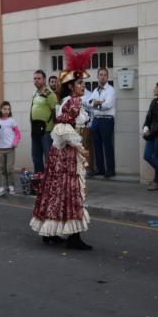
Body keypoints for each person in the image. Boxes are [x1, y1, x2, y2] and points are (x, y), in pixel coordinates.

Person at [31, 46, 95, 250]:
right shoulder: (73, 102)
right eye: (80, 83)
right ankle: (74, 238)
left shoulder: (69, 101)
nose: (83, 86)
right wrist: (80, 148)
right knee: (70, 192)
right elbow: (61, 128)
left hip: (59, 155)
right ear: (72, 87)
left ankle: (49, 233)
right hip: (66, 156)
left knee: (56, 192)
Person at [87, 67, 116, 178]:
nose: (102, 76)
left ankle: (111, 170)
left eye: (105, 75)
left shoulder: (111, 90)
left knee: (107, 145)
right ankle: (100, 169)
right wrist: (98, 103)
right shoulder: (95, 90)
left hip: (107, 120)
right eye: (100, 74)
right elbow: (89, 103)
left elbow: (107, 105)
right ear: (98, 76)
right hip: (96, 120)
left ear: (107, 77)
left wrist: (96, 104)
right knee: (97, 145)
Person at [0, 101, 21, 196]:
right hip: (0, 148)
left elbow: (18, 133)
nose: (6, 111)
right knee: (3, 169)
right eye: (4, 109)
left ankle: (11, 186)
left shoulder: (12, 121)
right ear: (0, 110)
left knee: (9, 168)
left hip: (10, 148)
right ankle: (4, 186)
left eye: (8, 109)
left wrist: (15, 142)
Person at [30, 70, 57, 173]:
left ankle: (50, 183)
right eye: (35, 78)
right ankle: (39, 182)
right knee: (36, 157)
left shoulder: (49, 94)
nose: (36, 81)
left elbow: (55, 111)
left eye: (38, 78)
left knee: (48, 158)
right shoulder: (35, 93)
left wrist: (55, 129)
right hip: (35, 130)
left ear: (44, 80)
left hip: (47, 131)